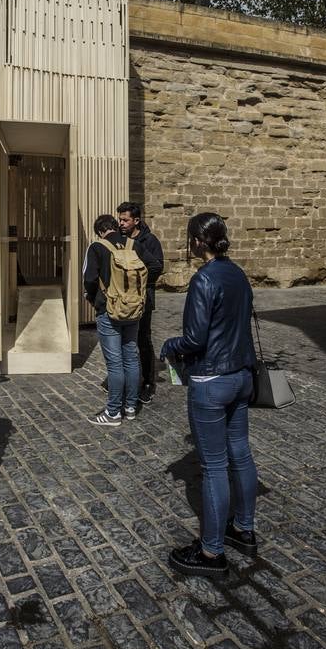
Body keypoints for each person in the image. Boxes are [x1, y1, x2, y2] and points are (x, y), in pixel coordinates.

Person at [160, 212, 258, 578]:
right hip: (242, 376)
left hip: (212, 380)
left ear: (196, 242)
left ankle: (212, 552)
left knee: (214, 466)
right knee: (241, 454)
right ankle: (243, 528)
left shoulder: (203, 279)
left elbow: (194, 339)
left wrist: (170, 343)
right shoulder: (238, 274)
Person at [83, 214, 163, 427]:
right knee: (130, 357)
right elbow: (155, 266)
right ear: (115, 227)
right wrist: (139, 291)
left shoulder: (97, 248)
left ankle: (113, 412)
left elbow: (89, 279)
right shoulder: (134, 245)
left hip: (109, 310)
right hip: (133, 309)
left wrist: (93, 298)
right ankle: (130, 407)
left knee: (114, 363)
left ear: (100, 231)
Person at [117, 202, 164, 404]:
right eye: (119, 219)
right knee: (124, 341)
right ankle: (125, 379)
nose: (121, 223)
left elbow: (157, 267)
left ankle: (148, 383)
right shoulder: (120, 239)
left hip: (143, 298)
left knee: (143, 340)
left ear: (136, 221)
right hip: (123, 299)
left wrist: (136, 279)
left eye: (125, 219)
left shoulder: (150, 241)